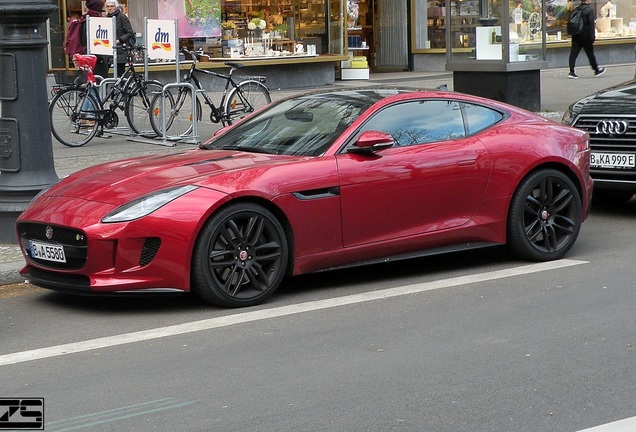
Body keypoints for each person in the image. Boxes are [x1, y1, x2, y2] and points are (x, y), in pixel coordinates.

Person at [568, 0, 606, 79]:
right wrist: (592, 36)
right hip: (585, 35)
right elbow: (591, 24)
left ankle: (571, 71)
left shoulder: (577, 9)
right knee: (590, 53)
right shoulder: (589, 10)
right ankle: (596, 70)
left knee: (573, 54)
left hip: (576, 35)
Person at [105, 0, 136, 77]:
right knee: (104, 74)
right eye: (108, 6)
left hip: (120, 50)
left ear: (115, 7)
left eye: (111, 6)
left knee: (121, 74)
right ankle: (104, 89)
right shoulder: (106, 18)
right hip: (108, 50)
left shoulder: (121, 16)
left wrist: (119, 40)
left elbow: (130, 32)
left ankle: (123, 88)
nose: (109, 8)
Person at [81, 0, 109, 79]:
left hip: (93, 56)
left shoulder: (86, 19)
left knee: (95, 81)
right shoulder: (94, 20)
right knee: (98, 82)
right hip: (97, 58)